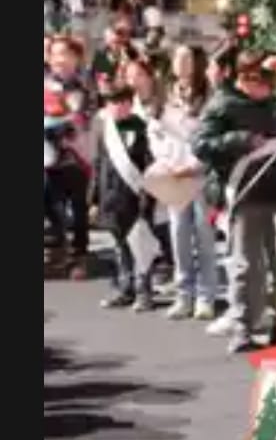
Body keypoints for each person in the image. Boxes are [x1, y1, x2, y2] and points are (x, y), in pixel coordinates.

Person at [192, 51, 276, 354]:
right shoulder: (222, 103)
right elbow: (199, 144)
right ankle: (243, 326)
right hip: (244, 192)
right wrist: (240, 140)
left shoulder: (275, 104)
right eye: (261, 81)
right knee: (244, 264)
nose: (267, 88)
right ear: (245, 78)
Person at [153, 45, 218, 321]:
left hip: (199, 174)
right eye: (177, 58)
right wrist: (165, 161)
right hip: (173, 173)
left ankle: (206, 296)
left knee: (204, 237)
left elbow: (213, 133)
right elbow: (155, 133)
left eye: (186, 58)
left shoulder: (209, 95)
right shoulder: (165, 95)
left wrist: (195, 164)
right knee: (179, 235)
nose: (181, 63)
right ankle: (184, 295)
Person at [94, 86, 157, 310]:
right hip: (111, 196)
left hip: (136, 195)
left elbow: (150, 163)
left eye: (123, 102)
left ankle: (144, 292)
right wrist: (94, 198)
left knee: (141, 245)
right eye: (113, 102)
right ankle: (125, 288)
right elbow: (99, 164)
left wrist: (148, 195)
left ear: (131, 103)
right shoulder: (105, 129)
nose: (118, 107)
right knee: (120, 246)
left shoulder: (142, 128)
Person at [43, 35, 93, 275]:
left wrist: (61, 127)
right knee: (51, 204)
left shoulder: (82, 87)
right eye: (55, 54)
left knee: (78, 207)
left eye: (65, 54)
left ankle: (79, 255)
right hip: (46, 157)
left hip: (75, 156)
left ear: (75, 58)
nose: (60, 59)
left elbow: (82, 119)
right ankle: (57, 249)